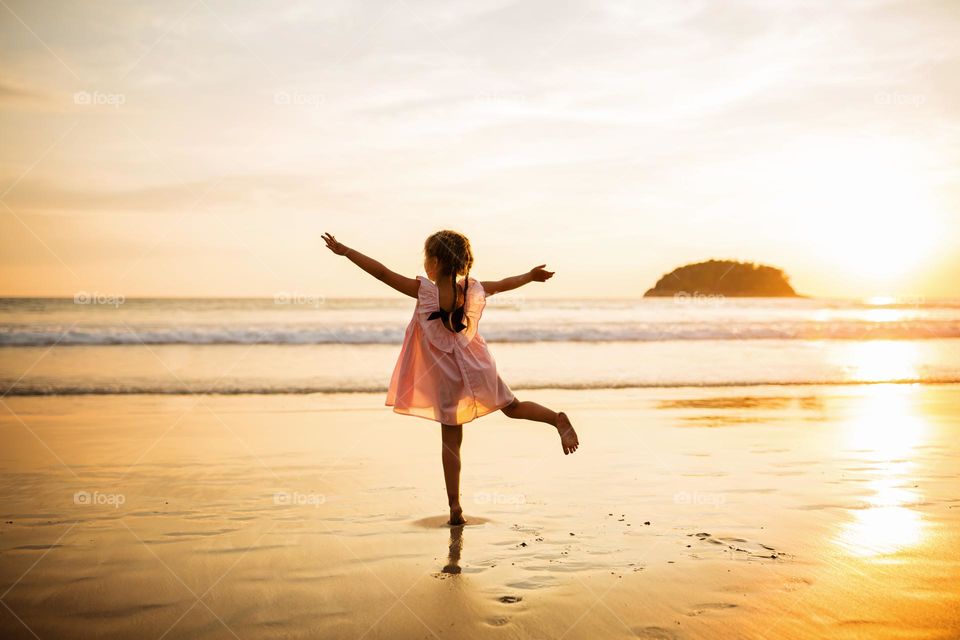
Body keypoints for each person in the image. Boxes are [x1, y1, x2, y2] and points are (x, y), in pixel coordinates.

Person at [323, 230, 579, 525]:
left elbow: (381, 273)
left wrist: (346, 251)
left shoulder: (424, 291)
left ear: (433, 261)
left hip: (445, 374)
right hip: (475, 363)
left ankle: (455, 507)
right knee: (512, 407)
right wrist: (529, 276)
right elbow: (503, 285)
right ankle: (555, 419)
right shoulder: (470, 289)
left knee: (450, 441)